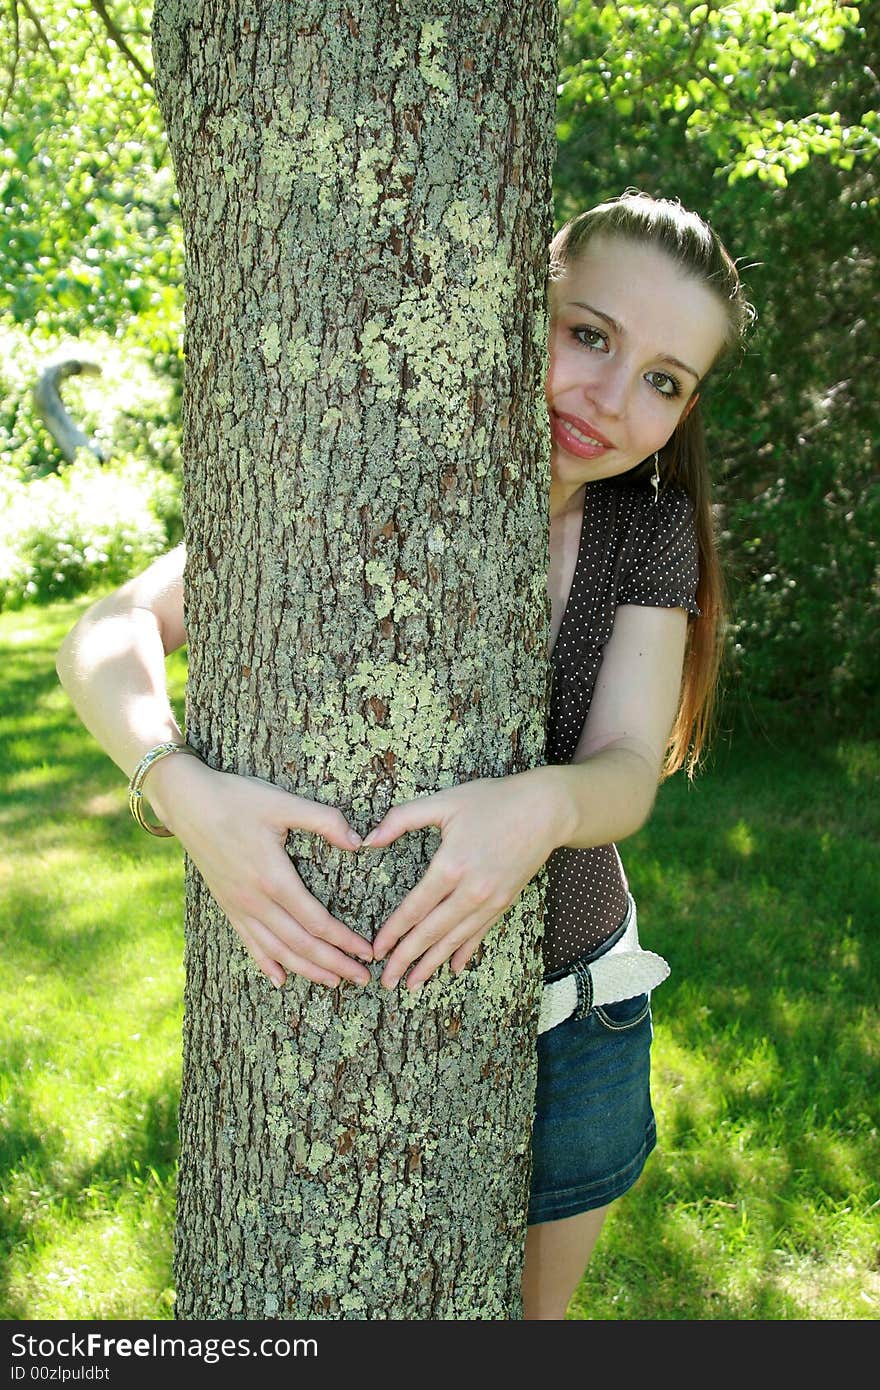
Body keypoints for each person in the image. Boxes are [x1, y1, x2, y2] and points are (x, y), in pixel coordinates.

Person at [55, 191, 754, 1320]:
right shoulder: (360, 465)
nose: (613, 401)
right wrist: (178, 791)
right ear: (515, 306)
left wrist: (539, 806)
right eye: (589, 334)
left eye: (665, 380)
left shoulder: (644, 530)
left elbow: (628, 764)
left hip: (573, 1017)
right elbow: (103, 635)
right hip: (331, 1025)